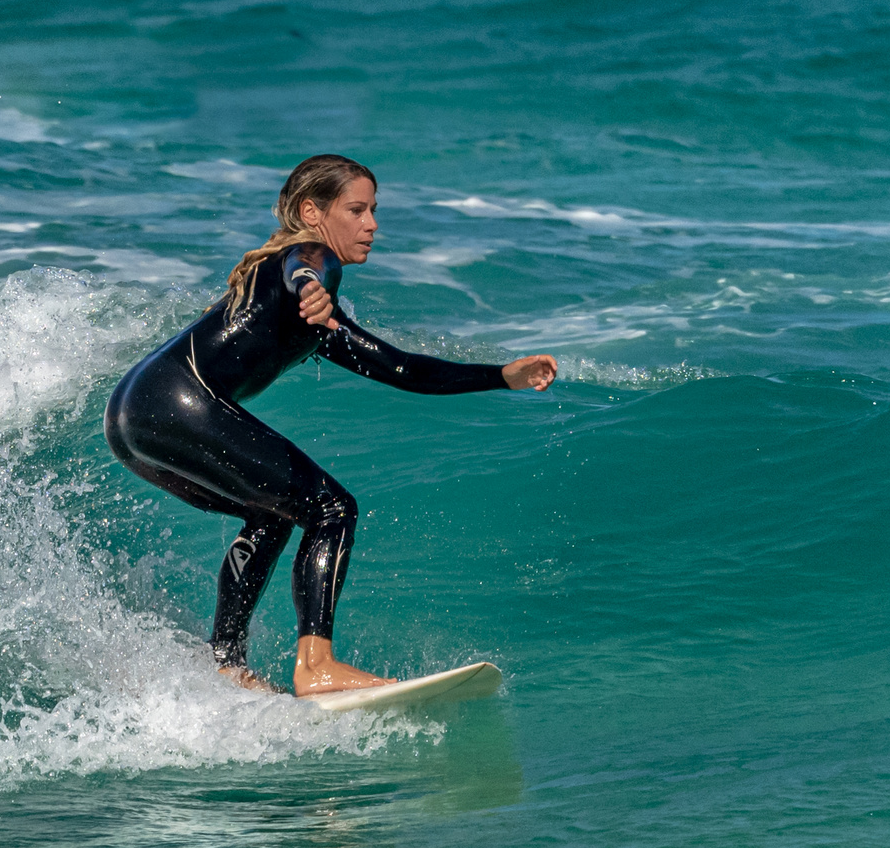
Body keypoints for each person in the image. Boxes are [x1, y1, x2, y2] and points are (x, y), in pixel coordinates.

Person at [104, 155, 557, 695]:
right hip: (176, 400)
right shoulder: (311, 261)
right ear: (311, 212)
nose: (372, 225)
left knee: (272, 515)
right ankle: (315, 665)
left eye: (374, 211)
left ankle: (224, 663)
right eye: (357, 210)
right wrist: (310, 287)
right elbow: (305, 266)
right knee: (332, 507)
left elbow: (403, 368)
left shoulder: (312, 317)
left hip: (132, 414)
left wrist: (503, 376)